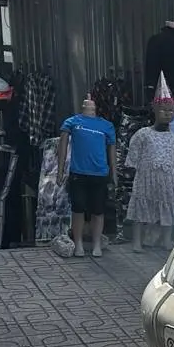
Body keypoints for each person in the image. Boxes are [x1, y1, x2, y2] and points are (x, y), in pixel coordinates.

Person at [125, 77, 174, 253]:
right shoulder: (143, 134)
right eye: (163, 110)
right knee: (140, 209)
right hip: (146, 178)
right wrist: (130, 169)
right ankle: (137, 241)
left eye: (171, 111)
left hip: (167, 180)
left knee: (167, 207)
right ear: (155, 110)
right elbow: (134, 152)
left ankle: (166, 240)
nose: (167, 114)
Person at [57, 97, 116, 258]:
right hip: (78, 173)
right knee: (78, 208)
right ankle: (79, 244)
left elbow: (112, 151)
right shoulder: (72, 122)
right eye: (85, 103)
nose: (88, 104)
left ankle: (97, 244)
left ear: (96, 107)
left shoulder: (107, 126)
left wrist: (114, 174)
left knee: (98, 210)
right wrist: (60, 171)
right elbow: (62, 145)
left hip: (100, 173)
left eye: (91, 103)